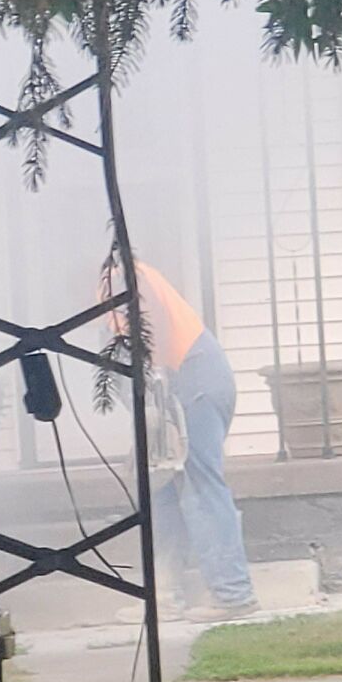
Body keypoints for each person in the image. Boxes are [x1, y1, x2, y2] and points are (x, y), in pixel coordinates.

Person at [106, 261, 258, 622]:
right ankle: (163, 597)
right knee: (162, 490)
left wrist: (157, 391)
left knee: (200, 483)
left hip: (193, 377)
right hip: (185, 375)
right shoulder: (110, 280)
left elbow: (149, 326)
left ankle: (233, 594)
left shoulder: (120, 274)